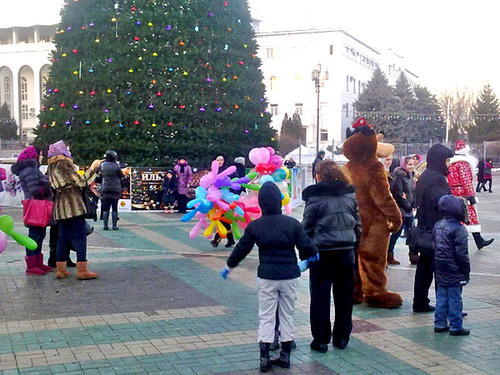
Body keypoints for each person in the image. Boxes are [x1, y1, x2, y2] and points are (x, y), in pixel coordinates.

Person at [220, 182, 316, 372]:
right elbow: (307, 247)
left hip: (267, 277)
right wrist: (310, 257)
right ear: (279, 201)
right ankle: (285, 355)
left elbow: (241, 249)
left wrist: (228, 267)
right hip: (289, 275)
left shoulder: (255, 226)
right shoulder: (292, 223)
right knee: (287, 314)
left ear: (261, 203)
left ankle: (264, 356)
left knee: (266, 316)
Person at [302, 160, 360, 353]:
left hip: (322, 253)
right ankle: (342, 337)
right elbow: (357, 223)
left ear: (319, 175)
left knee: (320, 296)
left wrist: (306, 251)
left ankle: (320, 339)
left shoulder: (315, 197)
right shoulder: (349, 195)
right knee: (344, 297)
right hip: (346, 252)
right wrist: (354, 244)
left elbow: (307, 227)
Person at [47, 140, 101, 280]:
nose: (69, 152)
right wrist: (93, 167)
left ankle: (61, 269)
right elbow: (81, 181)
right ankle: (82, 270)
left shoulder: (51, 167)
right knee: (80, 235)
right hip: (73, 205)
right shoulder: (64, 164)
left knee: (62, 236)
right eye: (67, 149)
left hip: (60, 206)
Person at [410, 144, 453, 313]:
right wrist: (460, 203)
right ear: (439, 160)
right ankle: (444, 305)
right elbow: (442, 203)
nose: (449, 164)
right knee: (440, 269)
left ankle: (420, 302)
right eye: (447, 160)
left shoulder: (427, 175)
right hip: (435, 230)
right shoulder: (436, 179)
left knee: (425, 268)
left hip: (427, 228)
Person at [11, 146, 54, 275]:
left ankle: (38, 263)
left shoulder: (32, 169)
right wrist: (47, 185)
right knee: (35, 236)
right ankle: (32, 266)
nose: (41, 157)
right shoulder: (30, 169)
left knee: (39, 235)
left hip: (38, 205)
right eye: (39, 154)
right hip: (36, 205)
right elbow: (34, 189)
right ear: (33, 156)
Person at [433, 195, 470, 336]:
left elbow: (435, 246)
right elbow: (462, 254)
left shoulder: (438, 225)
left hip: (440, 266)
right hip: (454, 268)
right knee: (455, 297)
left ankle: (440, 323)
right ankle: (456, 326)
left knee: (442, 296)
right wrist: (465, 271)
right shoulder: (458, 229)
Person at [447, 141, 493, 250]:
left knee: (458, 216)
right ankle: (477, 241)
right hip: (463, 193)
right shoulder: (463, 163)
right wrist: (471, 195)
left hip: (453, 191)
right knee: (469, 216)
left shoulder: (452, 163)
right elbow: (466, 181)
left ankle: (478, 240)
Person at [388, 156, 416, 265]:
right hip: (402, 209)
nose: (411, 166)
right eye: (409, 164)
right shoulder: (399, 176)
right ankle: (389, 254)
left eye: (413, 164)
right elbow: (398, 193)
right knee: (397, 232)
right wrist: (407, 205)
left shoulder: (411, 175)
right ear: (404, 164)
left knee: (412, 232)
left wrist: (414, 203)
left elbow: (412, 191)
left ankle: (413, 254)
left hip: (409, 209)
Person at [100, 150, 123, 230]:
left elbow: (100, 175)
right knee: (114, 207)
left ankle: (105, 225)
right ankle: (114, 225)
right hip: (115, 188)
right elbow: (121, 175)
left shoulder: (102, 165)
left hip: (105, 187)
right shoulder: (116, 165)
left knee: (106, 207)